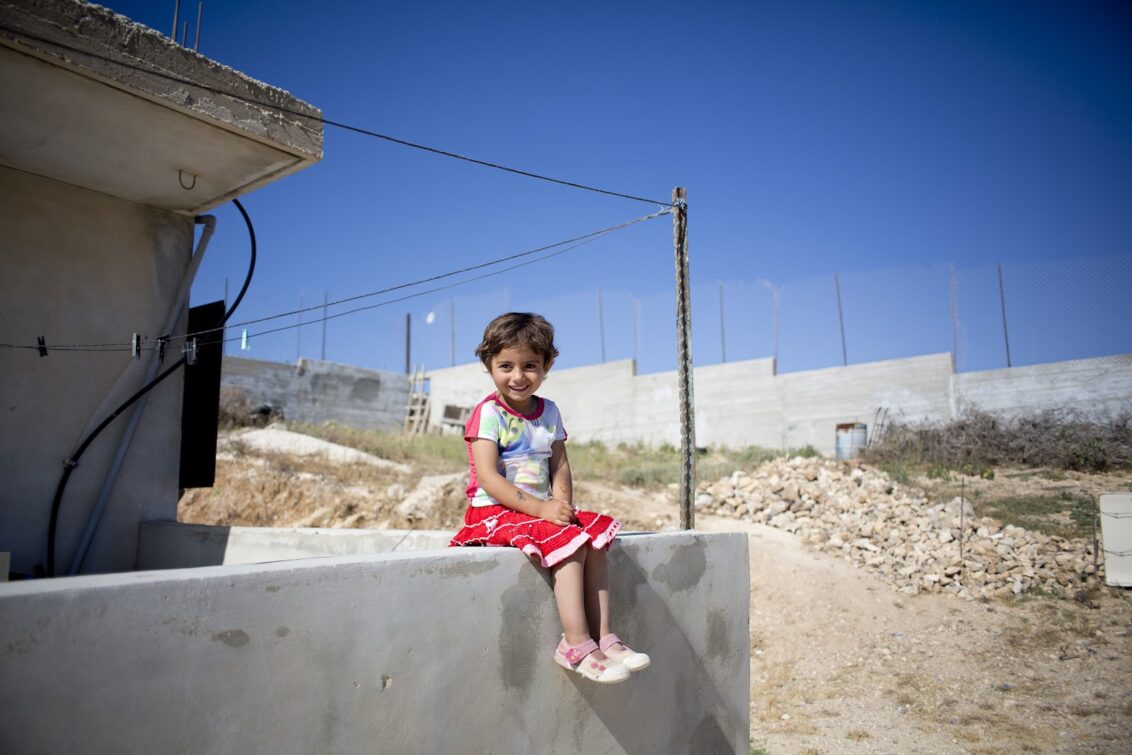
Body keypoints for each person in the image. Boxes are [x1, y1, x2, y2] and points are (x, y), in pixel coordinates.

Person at [449, 312, 650, 684]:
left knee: (592, 536)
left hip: (536, 510)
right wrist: (542, 508)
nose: (518, 376)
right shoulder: (487, 414)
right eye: (505, 366)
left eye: (530, 365)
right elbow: (490, 479)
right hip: (493, 512)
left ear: (547, 365)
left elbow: (559, 464)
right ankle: (574, 644)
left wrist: (562, 505)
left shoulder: (550, 412)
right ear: (489, 365)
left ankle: (604, 637)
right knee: (567, 542)